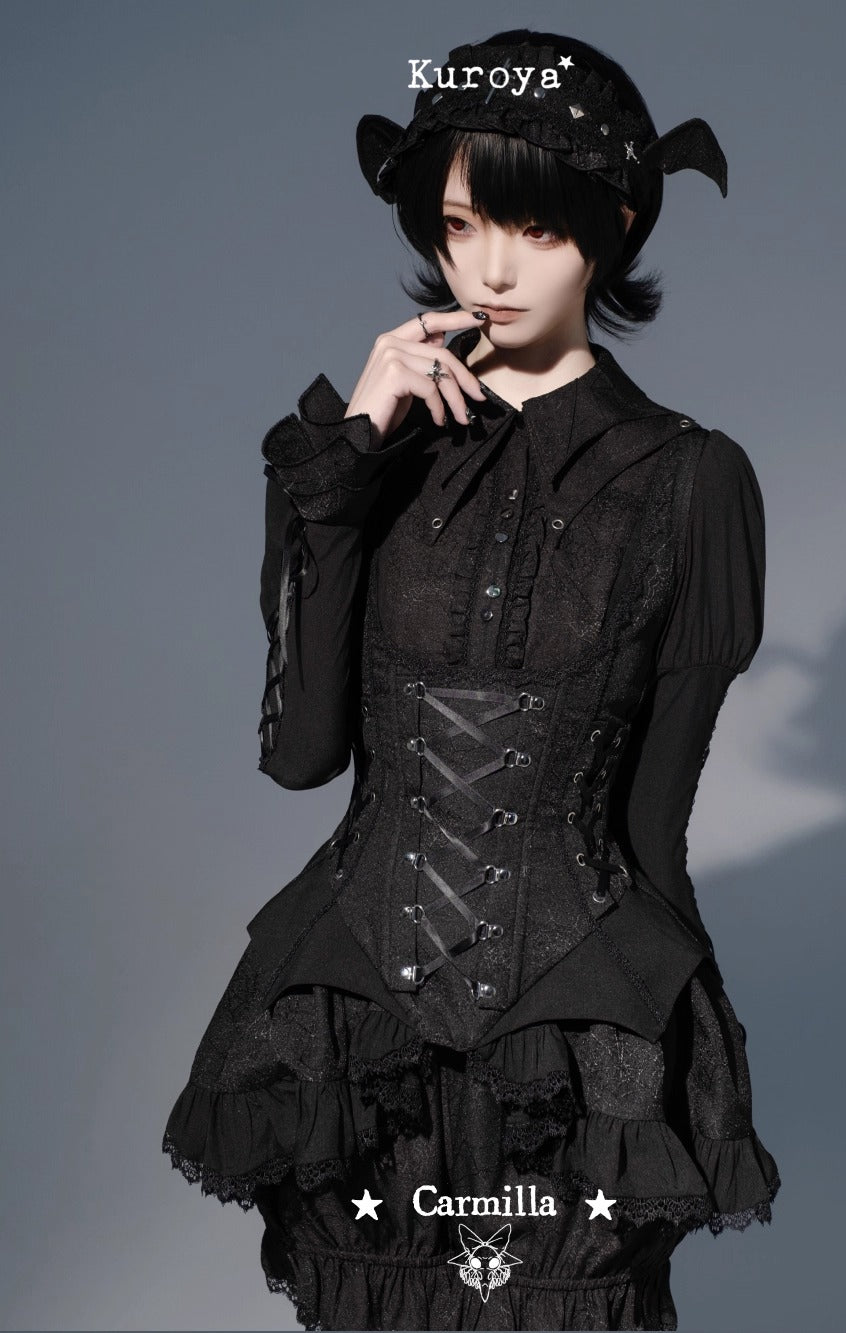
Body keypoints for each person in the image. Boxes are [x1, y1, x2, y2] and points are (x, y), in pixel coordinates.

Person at [162, 28, 781, 1331]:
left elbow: (653, 827)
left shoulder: (691, 483)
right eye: (460, 224)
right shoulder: (357, 460)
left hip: (574, 1031)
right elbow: (302, 755)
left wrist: (678, 1062)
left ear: (613, 225)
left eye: (531, 227)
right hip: (358, 1029)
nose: (489, 268)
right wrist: (348, 458)